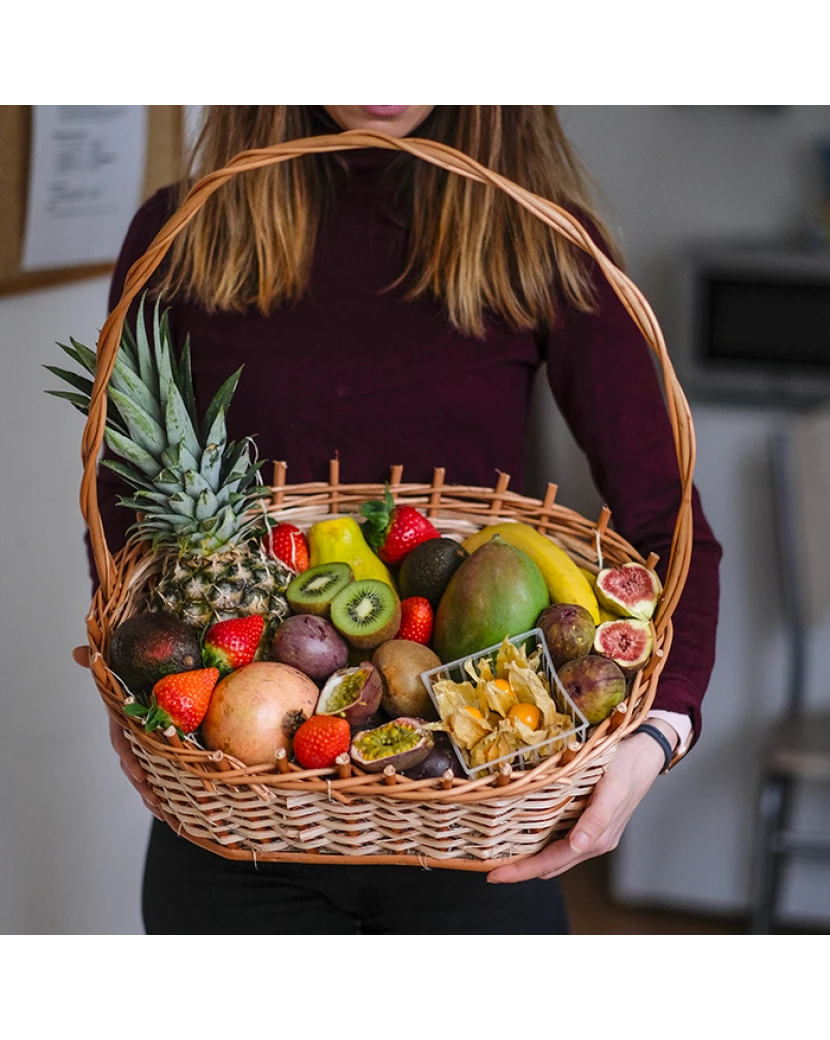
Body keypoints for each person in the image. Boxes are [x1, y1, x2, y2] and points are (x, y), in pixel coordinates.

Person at [93, 104, 722, 935]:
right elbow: (122, 511)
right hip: (237, 815)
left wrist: (662, 729)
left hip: (479, 813)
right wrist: (131, 694)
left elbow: (668, 519)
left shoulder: (541, 236)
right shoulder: (182, 231)